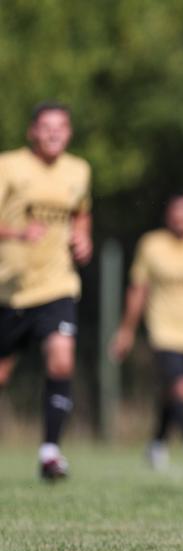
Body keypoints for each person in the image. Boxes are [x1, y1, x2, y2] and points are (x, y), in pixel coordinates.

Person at [0, 102, 92, 480]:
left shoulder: (79, 169)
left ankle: (50, 451)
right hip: (11, 289)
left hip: (58, 286)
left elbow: (81, 212)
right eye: (46, 127)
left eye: (61, 127)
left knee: (61, 360)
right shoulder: (9, 165)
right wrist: (18, 234)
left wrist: (83, 236)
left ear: (69, 133)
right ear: (32, 132)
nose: (54, 133)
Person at [110, 194, 183, 469]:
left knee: (172, 392)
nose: (181, 220)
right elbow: (138, 290)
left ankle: (157, 443)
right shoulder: (151, 245)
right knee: (182, 387)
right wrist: (126, 330)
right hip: (162, 331)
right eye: (177, 213)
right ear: (168, 217)